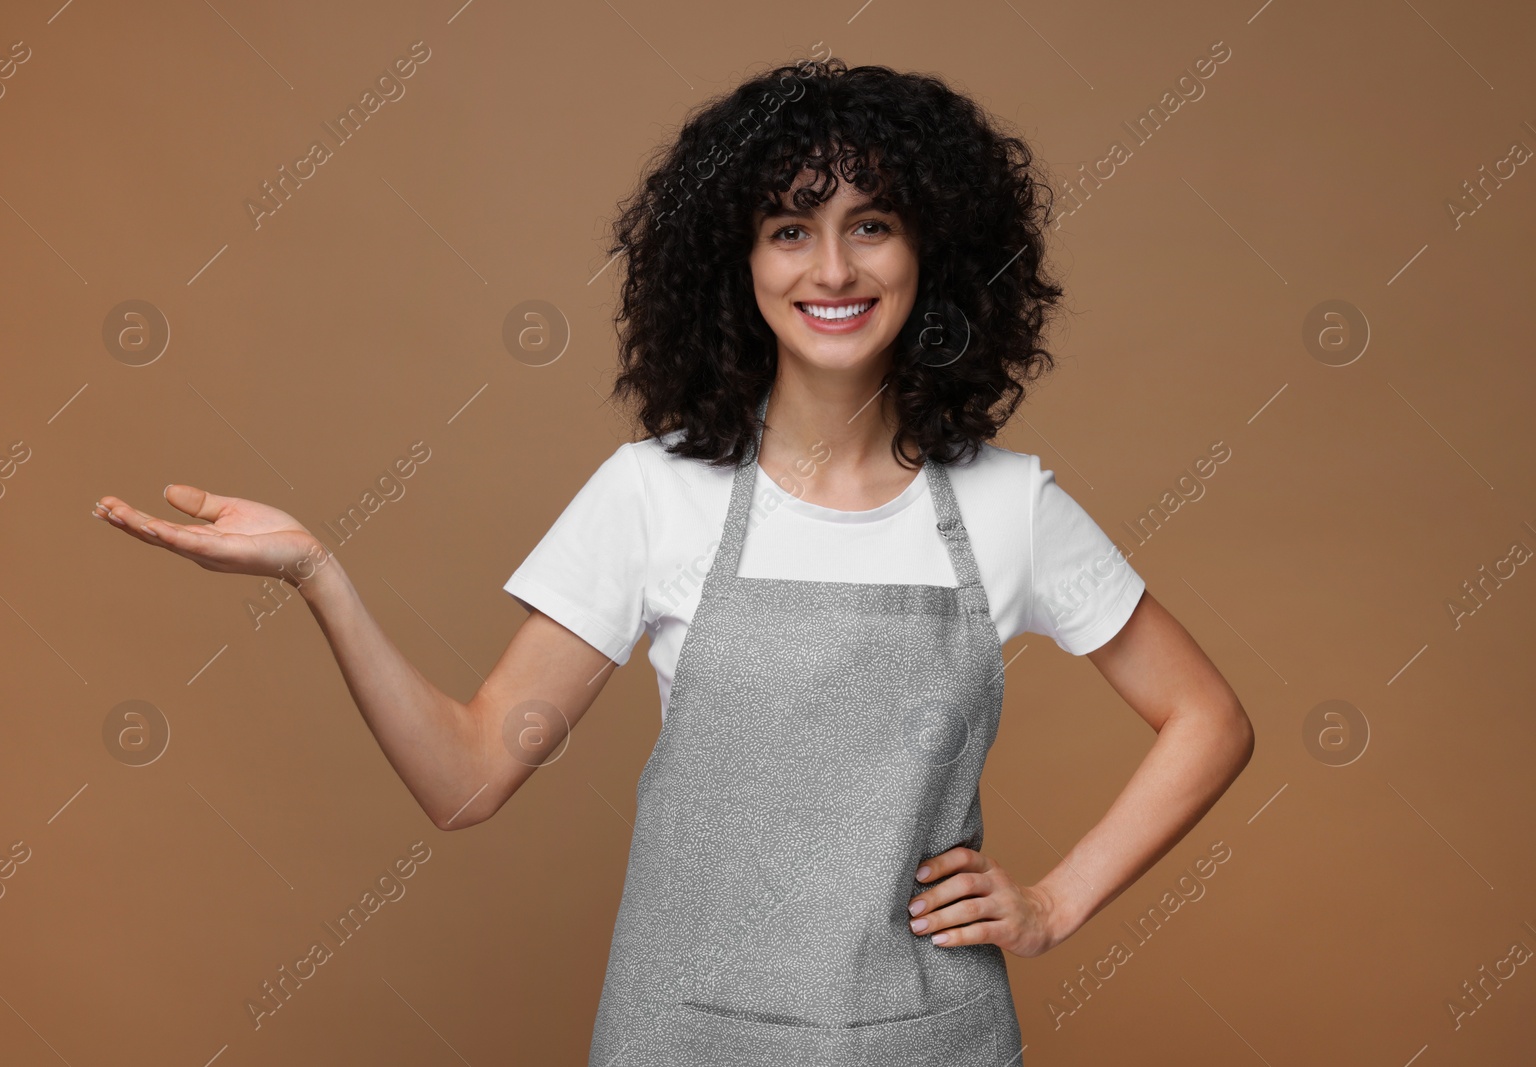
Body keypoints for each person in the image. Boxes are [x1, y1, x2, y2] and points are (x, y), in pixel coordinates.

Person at [94, 57, 1253, 1066]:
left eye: (873, 223)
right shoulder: (655, 493)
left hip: (929, 1037)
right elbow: (467, 778)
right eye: (790, 229)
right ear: (736, 265)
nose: (832, 269)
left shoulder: (1009, 507)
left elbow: (1208, 717)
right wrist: (318, 575)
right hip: (683, 1032)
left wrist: (1051, 902)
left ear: (932, 251)